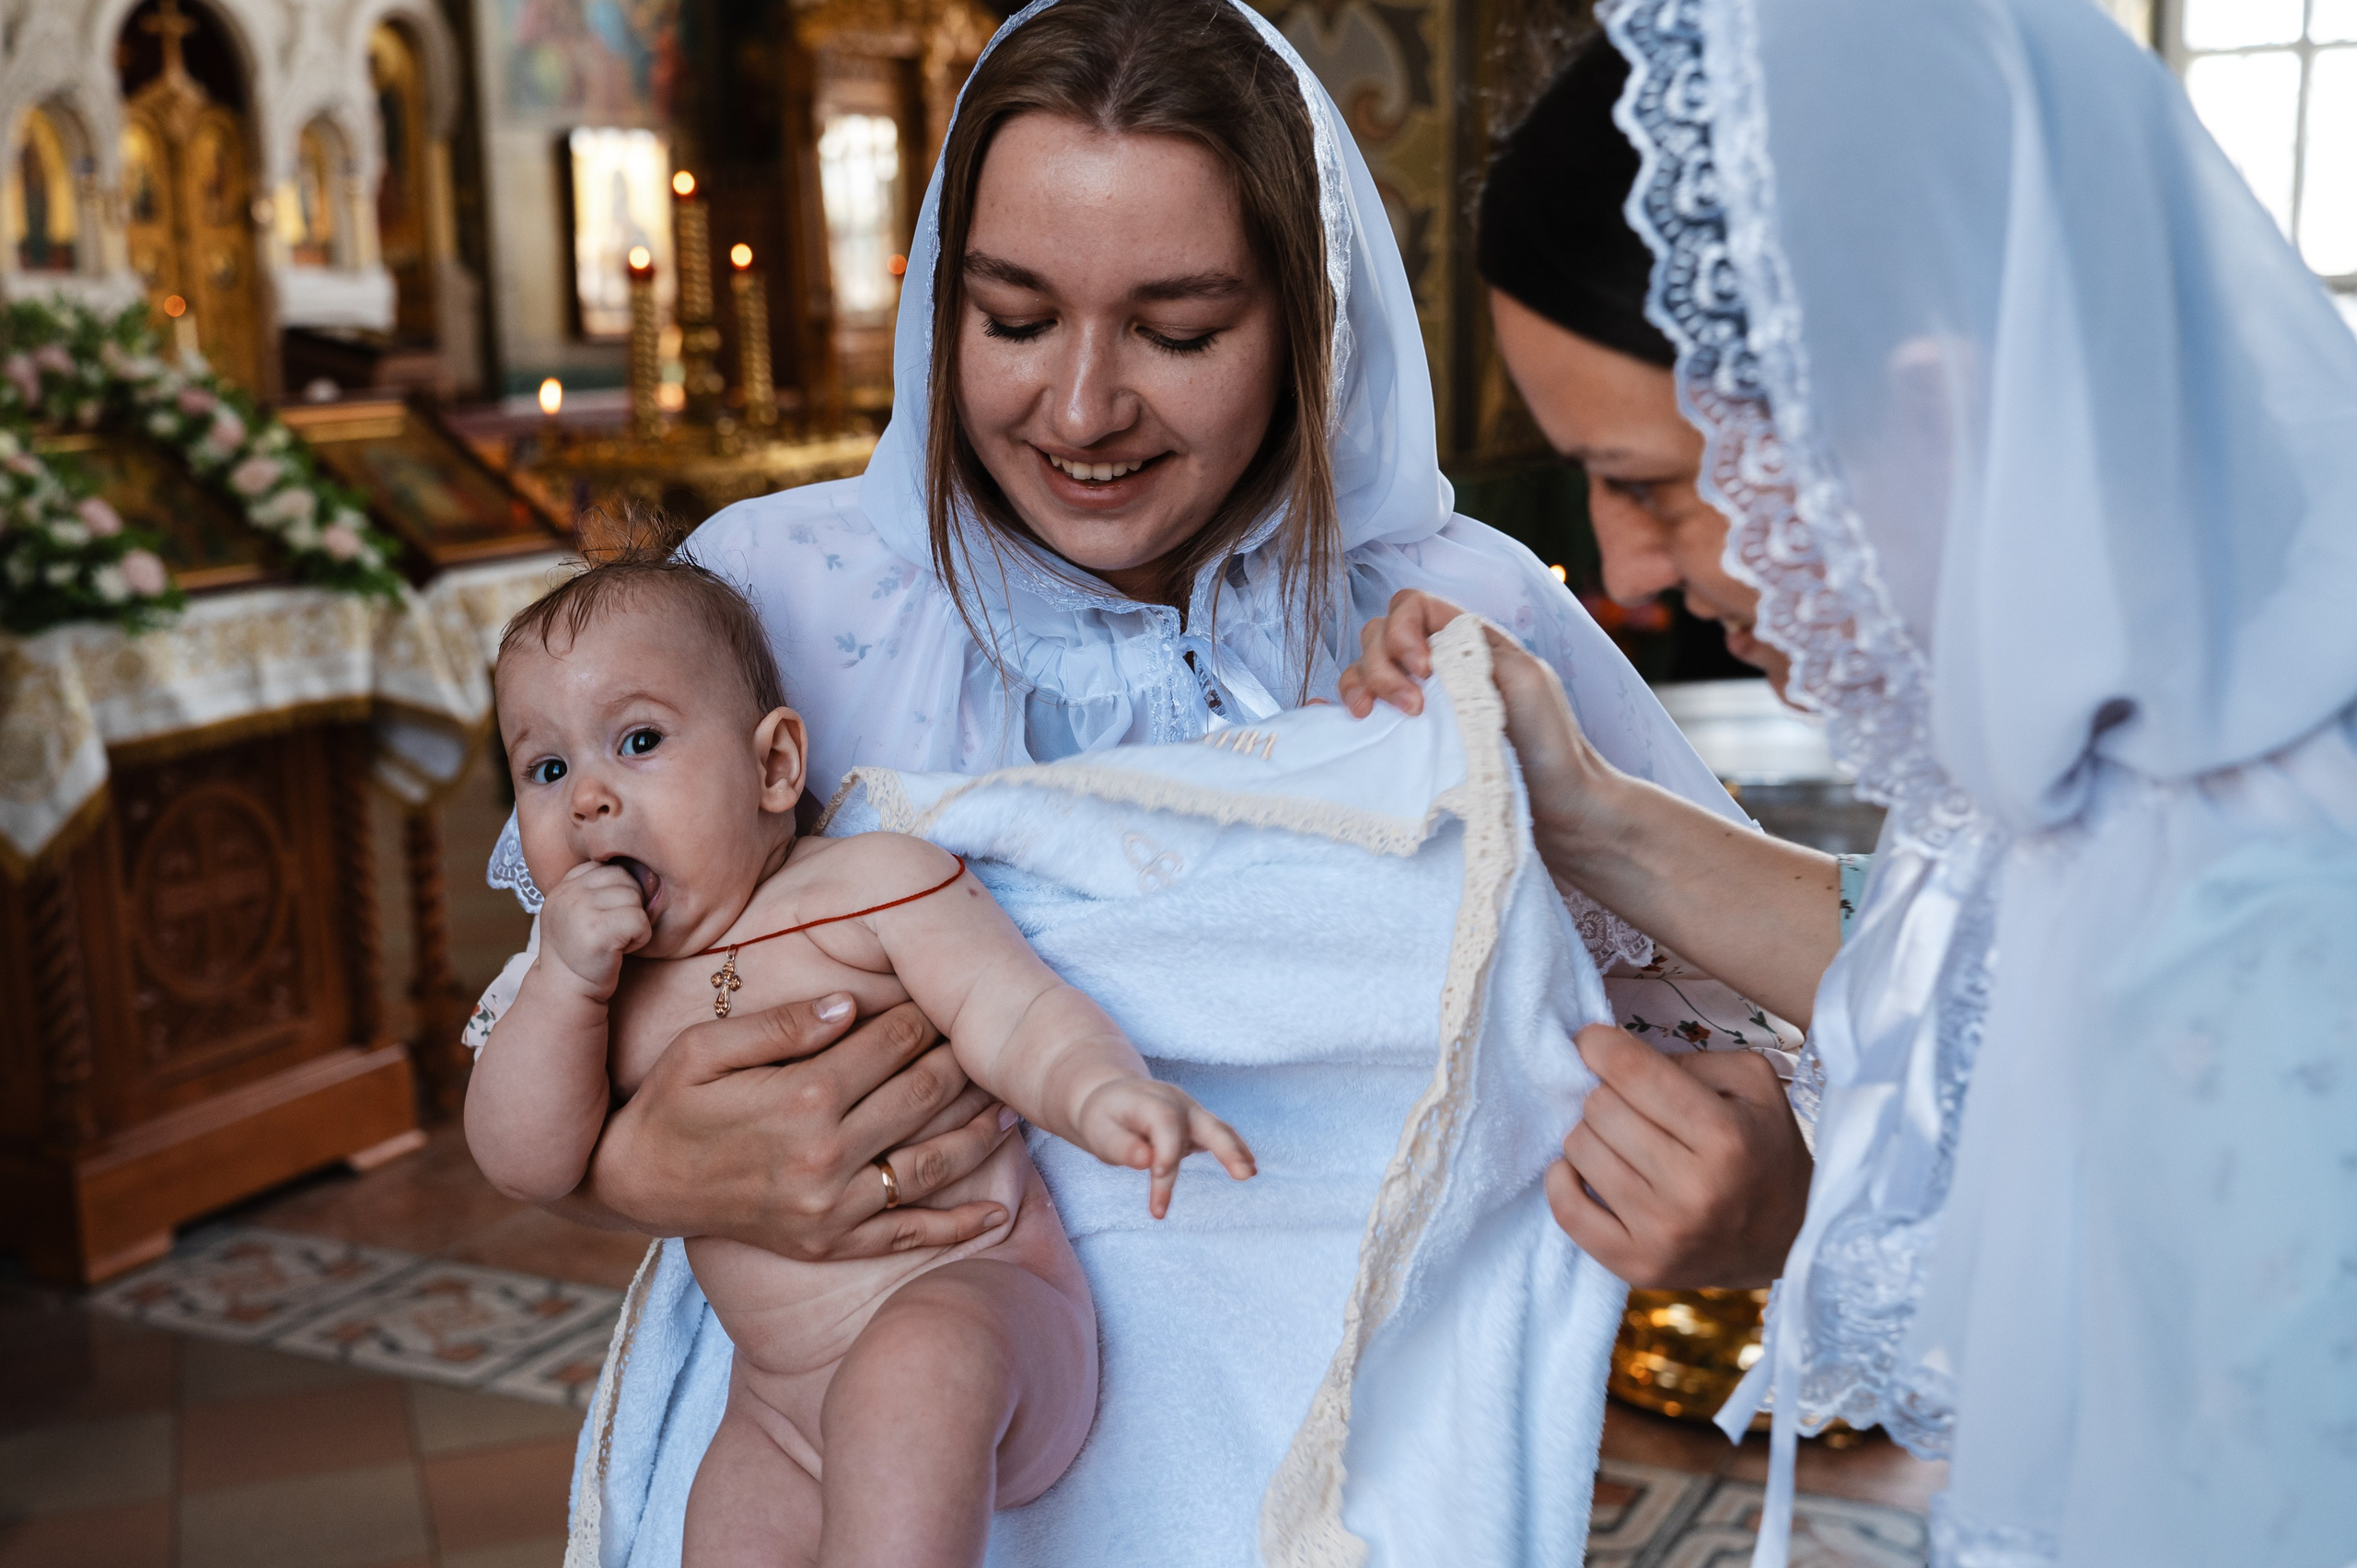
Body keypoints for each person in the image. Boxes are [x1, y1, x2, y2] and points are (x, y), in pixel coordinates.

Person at [473, 3, 1761, 1561]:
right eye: (1014, 319)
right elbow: (563, 1023)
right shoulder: (766, 599)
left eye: (1178, 329)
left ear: (1305, 317)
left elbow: (1795, 1044)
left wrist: (1746, 1177)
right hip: (836, 1457)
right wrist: (640, 1163)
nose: (1081, 410)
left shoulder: (1463, 626)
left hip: (1308, 1467)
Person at [1347, 5, 2357, 1565]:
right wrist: (1583, 801)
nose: (1626, 570)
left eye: (1652, 483)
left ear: (1927, 405)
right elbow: (1968, 961)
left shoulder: (2284, 920)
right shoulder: (2140, 717)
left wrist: (1800, 1207)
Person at [465, 551, 1250, 1567]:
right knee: (729, 1523)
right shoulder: (592, 992)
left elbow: (1011, 1013)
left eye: (640, 740)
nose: (588, 800)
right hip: (780, 1408)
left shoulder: (866, 887)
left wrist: (1102, 1090)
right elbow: (527, 1158)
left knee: (909, 1368)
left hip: (981, 1314)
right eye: (547, 767)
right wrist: (564, 983)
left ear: (774, 766)